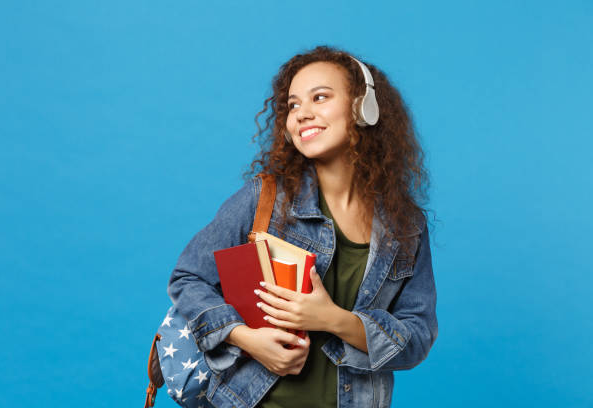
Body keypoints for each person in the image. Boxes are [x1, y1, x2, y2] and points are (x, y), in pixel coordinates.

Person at [167, 45, 438, 408]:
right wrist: (247, 338)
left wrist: (334, 320)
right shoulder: (265, 197)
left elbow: (417, 336)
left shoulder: (406, 226)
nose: (301, 115)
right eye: (293, 105)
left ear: (362, 107)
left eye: (320, 98)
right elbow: (188, 277)